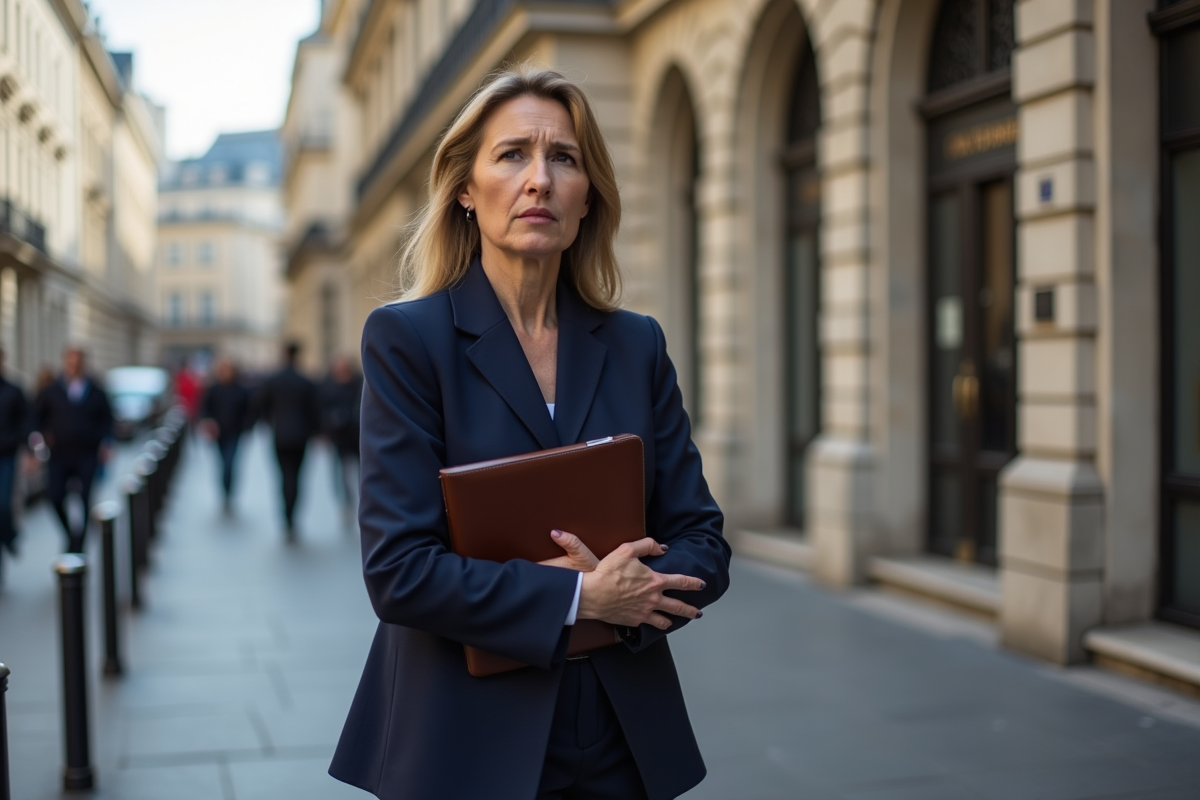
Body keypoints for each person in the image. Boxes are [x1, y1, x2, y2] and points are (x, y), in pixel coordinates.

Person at [330, 67, 730, 800]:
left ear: (588, 197)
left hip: (621, 733)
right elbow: (399, 570)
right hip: (464, 736)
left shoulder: (636, 344)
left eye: (564, 158)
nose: (539, 180)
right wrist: (580, 600)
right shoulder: (408, 340)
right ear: (464, 188)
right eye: (512, 154)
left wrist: (630, 595)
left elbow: (703, 536)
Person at [33, 347, 113, 553]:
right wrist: (40, 439)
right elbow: (37, 417)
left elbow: (107, 419)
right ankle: (71, 534)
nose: (74, 366)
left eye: (77, 362)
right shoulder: (52, 390)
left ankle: (81, 542)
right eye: (70, 362)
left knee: (85, 498)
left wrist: (107, 443)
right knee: (55, 496)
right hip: (59, 453)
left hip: (87, 452)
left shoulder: (96, 390)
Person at [255, 343, 319, 539]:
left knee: (284, 476)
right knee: (297, 477)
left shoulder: (273, 380)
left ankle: (287, 515)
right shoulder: (305, 381)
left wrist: (269, 422)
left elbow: (260, 406)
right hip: (301, 436)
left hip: (280, 435)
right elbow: (315, 410)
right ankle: (292, 516)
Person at [199, 357, 253, 514]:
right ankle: (224, 493)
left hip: (235, 433)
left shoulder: (241, 390)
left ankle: (229, 494)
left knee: (230, 464)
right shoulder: (213, 389)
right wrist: (209, 422)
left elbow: (249, 411)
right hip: (218, 434)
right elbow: (205, 409)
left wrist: (246, 427)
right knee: (222, 464)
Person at [319, 354, 362, 525]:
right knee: (340, 474)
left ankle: (363, 503)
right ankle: (346, 504)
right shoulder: (328, 385)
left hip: (357, 437)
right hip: (339, 438)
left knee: (361, 473)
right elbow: (322, 408)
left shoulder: (359, 384)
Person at [0, 347, 29, 573]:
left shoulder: (13, 390)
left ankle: (9, 537)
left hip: (6, 456)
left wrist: (28, 450)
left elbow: (26, 423)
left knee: (3, 506)